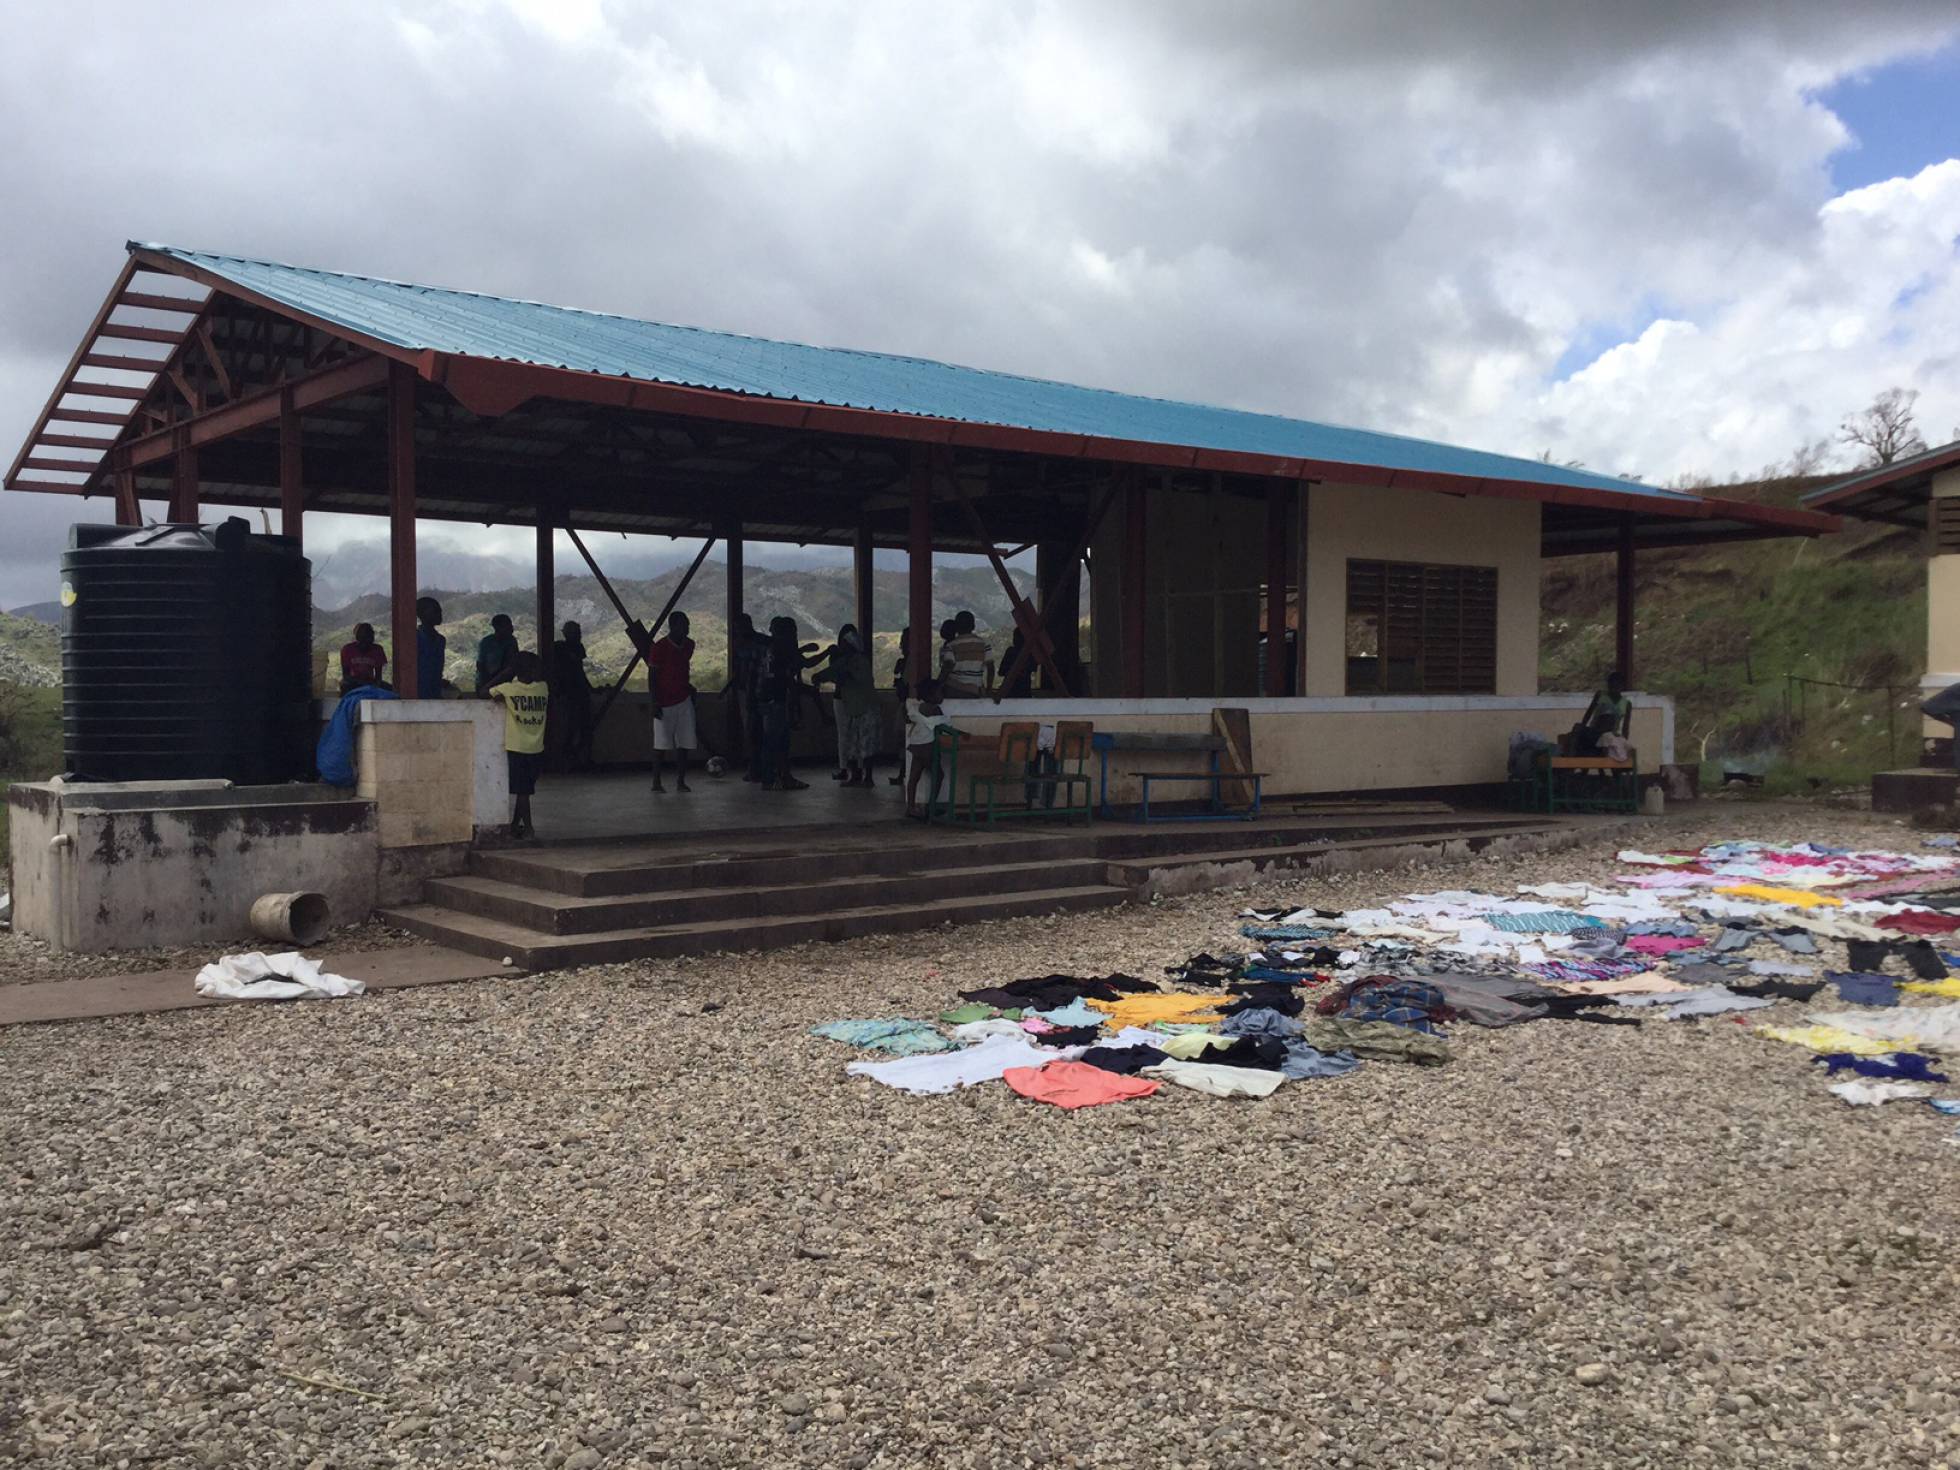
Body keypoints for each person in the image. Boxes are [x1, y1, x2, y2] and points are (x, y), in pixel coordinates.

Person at [486, 651, 549, 841]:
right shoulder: (543, 688)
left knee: (523, 791)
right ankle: (515, 826)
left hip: (517, 747)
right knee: (525, 789)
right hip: (537, 747)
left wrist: (506, 673)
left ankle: (528, 829)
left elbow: (484, 691)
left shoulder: (508, 689)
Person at [812, 624, 879, 787]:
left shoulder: (856, 662)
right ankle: (858, 776)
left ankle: (866, 777)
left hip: (863, 708)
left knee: (863, 743)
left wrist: (821, 676)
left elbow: (841, 675)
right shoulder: (852, 661)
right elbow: (833, 672)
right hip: (857, 708)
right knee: (856, 744)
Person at [756, 616, 812, 791]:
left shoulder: (768, 648)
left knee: (770, 741)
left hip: (766, 700)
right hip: (778, 700)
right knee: (779, 742)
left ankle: (771, 778)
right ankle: (780, 777)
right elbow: (800, 667)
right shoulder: (784, 649)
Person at [647, 611, 697, 792]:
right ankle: (656, 781)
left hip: (683, 699)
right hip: (664, 702)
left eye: (688, 625)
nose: (687, 629)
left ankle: (680, 781)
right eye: (684, 625)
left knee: (685, 742)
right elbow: (652, 676)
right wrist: (654, 702)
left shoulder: (690, 645)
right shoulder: (659, 647)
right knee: (660, 744)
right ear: (673, 626)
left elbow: (681, 670)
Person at [723, 612, 769, 780]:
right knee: (752, 731)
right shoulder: (744, 643)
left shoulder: (758, 643)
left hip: (758, 692)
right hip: (747, 692)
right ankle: (756, 766)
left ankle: (760, 767)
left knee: (759, 731)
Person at [550, 620, 595, 770]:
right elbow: (578, 671)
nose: (579, 635)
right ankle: (572, 760)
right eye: (577, 632)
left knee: (578, 728)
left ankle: (573, 760)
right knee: (572, 728)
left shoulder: (560, 648)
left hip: (573, 693)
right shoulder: (562, 648)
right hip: (569, 693)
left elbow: (579, 671)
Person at [904, 677, 947, 818]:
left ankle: (910, 807)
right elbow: (943, 727)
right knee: (938, 775)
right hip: (929, 748)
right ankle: (931, 807)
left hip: (917, 747)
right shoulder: (935, 709)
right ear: (931, 695)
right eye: (939, 692)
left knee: (913, 777)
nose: (942, 695)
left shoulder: (918, 708)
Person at [1571, 671, 1632, 756]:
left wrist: (1623, 742)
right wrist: (1583, 726)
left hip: (1609, 735)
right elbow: (1589, 713)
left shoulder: (1626, 704)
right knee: (1577, 728)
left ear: (1622, 686)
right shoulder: (1600, 695)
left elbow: (1625, 727)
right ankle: (1571, 755)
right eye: (1611, 684)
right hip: (1595, 732)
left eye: (1617, 685)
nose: (1613, 687)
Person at [940, 610, 993, 699]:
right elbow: (991, 668)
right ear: (973, 626)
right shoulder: (984, 644)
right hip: (975, 689)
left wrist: (938, 685)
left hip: (954, 689)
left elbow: (947, 667)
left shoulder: (952, 645)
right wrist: (989, 689)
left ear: (956, 627)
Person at [339, 623, 388, 692]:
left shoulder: (377, 650)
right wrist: (362, 683)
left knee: (389, 688)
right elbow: (346, 676)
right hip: (353, 682)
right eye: (362, 639)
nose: (365, 644)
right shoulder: (347, 649)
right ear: (357, 638)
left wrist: (373, 684)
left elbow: (378, 677)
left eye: (368, 638)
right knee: (344, 685)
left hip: (370, 682)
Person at [476, 613, 518, 694]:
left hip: (504, 685)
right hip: (486, 684)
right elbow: (480, 666)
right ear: (497, 627)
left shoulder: (512, 641)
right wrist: (487, 686)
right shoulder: (486, 642)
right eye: (507, 625)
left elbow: (513, 665)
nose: (511, 627)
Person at [415, 597, 447, 697]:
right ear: (422, 613)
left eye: (439, 611)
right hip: (418, 692)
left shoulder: (440, 640)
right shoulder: (415, 638)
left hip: (435, 692)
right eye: (435, 611)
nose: (439, 614)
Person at [999, 627, 1032, 699]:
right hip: (1025, 693)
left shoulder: (1010, 651)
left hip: (1009, 692)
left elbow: (1001, 672)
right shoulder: (1030, 653)